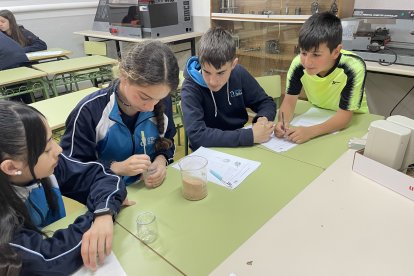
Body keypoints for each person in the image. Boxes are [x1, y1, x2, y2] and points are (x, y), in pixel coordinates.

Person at [0, 101, 129, 275]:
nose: (59, 149)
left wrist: (103, 214)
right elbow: (45, 260)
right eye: (46, 149)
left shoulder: (49, 166)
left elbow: (103, 176)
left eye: (52, 138)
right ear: (10, 167)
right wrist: (93, 219)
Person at [60, 40, 178, 186]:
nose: (150, 107)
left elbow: (168, 140)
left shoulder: (161, 101)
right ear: (124, 76)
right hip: (107, 195)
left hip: (149, 191)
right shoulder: (90, 112)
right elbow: (69, 168)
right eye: (144, 97)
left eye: (158, 99)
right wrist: (116, 167)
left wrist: (161, 160)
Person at [274, 12, 369, 144]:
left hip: (353, 118)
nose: (307, 62)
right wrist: (282, 123)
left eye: (316, 55)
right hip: (317, 113)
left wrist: (310, 132)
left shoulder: (353, 66)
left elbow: (345, 117)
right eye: (303, 53)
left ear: (336, 52)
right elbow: (289, 102)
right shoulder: (298, 64)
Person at [180, 27, 277, 150]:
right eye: (207, 72)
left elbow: (266, 102)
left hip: (240, 146)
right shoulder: (191, 87)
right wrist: (249, 136)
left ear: (233, 65)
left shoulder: (239, 73)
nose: (213, 82)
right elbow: (197, 136)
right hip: (208, 150)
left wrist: (262, 119)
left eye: (220, 73)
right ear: (200, 62)